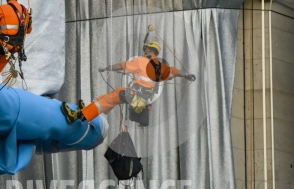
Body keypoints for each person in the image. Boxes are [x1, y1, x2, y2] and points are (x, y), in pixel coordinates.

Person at [61, 40, 195, 126]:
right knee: (113, 96)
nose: (145, 50)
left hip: (135, 95)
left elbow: (121, 66)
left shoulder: (141, 61)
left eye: (146, 48)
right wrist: (188, 76)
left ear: (148, 49)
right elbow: (176, 72)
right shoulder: (162, 67)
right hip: (144, 99)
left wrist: (106, 68)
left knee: (112, 97)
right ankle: (89, 110)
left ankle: (80, 116)